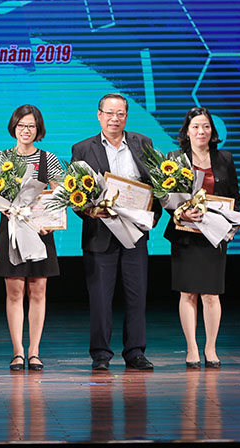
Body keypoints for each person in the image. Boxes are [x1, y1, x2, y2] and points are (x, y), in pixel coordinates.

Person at [71, 93, 161, 371]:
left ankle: (135, 352)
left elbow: (157, 185)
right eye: (109, 113)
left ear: (126, 116)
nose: (115, 118)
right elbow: (75, 193)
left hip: (135, 232)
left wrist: (152, 217)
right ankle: (100, 354)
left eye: (120, 113)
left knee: (137, 295)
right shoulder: (82, 149)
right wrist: (89, 211)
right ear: (99, 115)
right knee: (100, 297)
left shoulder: (143, 143)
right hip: (100, 233)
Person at [164, 107, 240, 369]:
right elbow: (165, 197)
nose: (201, 131)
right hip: (185, 236)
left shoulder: (225, 158)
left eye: (206, 126)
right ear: (187, 131)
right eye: (195, 126)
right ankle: (192, 348)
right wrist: (182, 211)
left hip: (213, 236)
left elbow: (234, 197)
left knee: (211, 294)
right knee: (188, 293)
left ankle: (211, 348)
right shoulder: (174, 159)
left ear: (212, 131)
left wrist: (229, 225)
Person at [0, 105, 63, 372]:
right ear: (14, 127)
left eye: (31, 126)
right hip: (11, 230)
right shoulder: (1, 158)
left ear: (38, 129)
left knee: (38, 290)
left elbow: (60, 194)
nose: (26, 130)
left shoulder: (48, 159)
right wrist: (3, 207)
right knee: (14, 292)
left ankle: (34, 351)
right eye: (21, 125)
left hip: (40, 231)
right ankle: (18, 352)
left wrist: (50, 222)